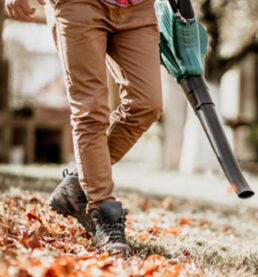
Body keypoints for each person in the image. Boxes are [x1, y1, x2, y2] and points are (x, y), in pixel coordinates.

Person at [4, 0, 163, 256]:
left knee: (146, 105)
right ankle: (106, 215)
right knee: (90, 111)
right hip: (78, 4)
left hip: (138, 6)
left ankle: (77, 183)